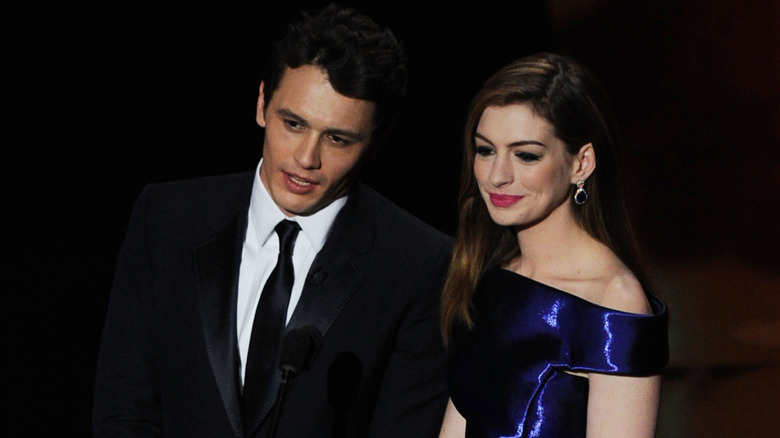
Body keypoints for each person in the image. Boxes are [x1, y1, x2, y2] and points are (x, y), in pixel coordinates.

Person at [93, 4, 452, 437]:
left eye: (337, 139)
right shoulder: (167, 218)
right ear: (263, 103)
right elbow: (124, 404)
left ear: (377, 142)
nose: (306, 159)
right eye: (294, 124)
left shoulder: (419, 264)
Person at [438, 52, 669, 438]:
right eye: (485, 150)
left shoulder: (614, 304)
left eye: (526, 155)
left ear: (582, 164)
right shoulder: (492, 274)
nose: (497, 175)